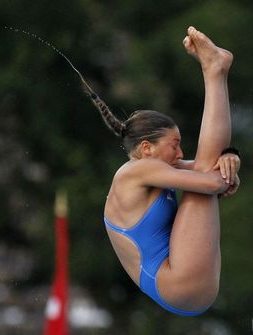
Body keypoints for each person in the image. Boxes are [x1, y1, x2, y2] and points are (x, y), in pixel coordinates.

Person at [90, 27, 240, 316]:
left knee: (210, 164)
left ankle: (215, 69)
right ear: (147, 148)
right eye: (175, 145)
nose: (181, 153)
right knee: (211, 166)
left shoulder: (150, 169)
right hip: (177, 282)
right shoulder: (135, 172)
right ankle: (214, 70)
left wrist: (231, 161)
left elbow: (205, 171)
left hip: (180, 288)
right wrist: (224, 172)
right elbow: (211, 179)